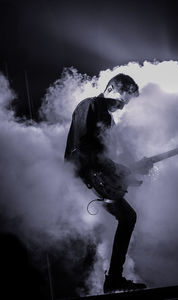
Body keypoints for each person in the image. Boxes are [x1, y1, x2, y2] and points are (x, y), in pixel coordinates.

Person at [64, 73, 153, 293]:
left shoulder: (107, 118)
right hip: (83, 176)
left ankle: (111, 279)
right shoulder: (90, 105)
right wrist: (114, 170)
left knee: (123, 220)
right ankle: (109, 280)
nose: (120, 108)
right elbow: (83, 148)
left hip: (95, 176)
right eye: (120, 102)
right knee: (123, 219)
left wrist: (125, 174)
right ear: (110, 90)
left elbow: (103, 156)